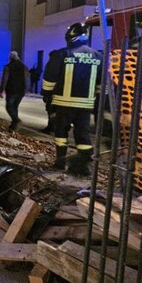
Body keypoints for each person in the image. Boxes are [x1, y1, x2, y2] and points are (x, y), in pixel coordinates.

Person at [42, 23, 102, 175]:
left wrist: (47, 96)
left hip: (63, 103)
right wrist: (98, 101)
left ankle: (60, 161)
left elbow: (49, 79)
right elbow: (103, 83)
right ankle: (82, 167)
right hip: (85, 105)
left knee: (61, 133)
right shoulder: (98, 56)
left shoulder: (62, 54)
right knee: (83, 135)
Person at [0, 51, 28, 131]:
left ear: (10, 58)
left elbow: (5, 79)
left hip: (11, 90)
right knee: (15, 107)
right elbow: (27, 77)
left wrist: (2, 90)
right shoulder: (23, 66)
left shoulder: (8, 67)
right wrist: (27, 88)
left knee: (9, 107)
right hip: (21, 90)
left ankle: (16, 120)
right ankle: (13, 126)